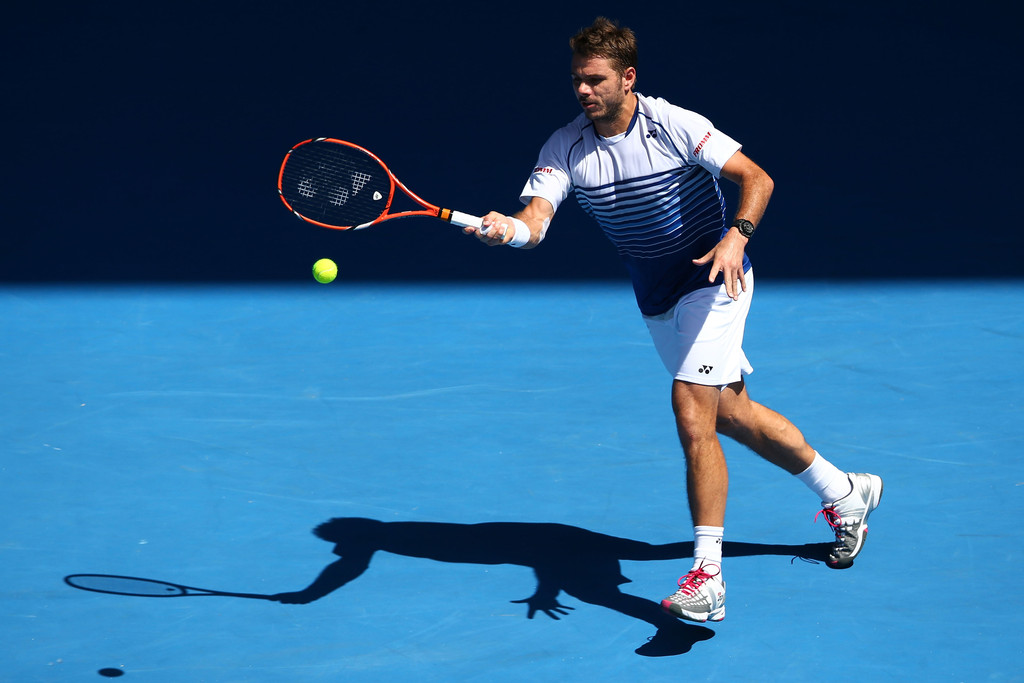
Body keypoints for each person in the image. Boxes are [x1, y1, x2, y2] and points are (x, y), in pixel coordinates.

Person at [464, 17, 883, 624]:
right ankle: (846, 493)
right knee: (731, 414)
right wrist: (508, 229)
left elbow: (756, 179)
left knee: (691, 409)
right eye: (577, 80)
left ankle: (707, 575)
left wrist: (737, 237)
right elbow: (535, 223)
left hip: (715, 276)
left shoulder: (673, 124)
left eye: (595, 80)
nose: (583, 91)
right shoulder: (565, 147)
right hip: (657, 294)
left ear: (627, 78)